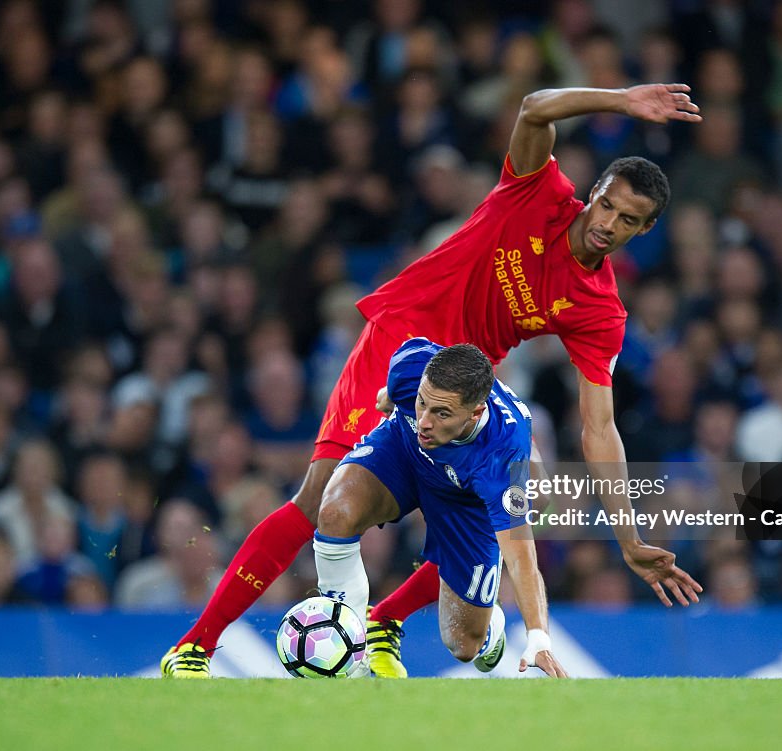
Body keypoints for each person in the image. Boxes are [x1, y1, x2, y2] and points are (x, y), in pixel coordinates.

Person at [161, 82, 703, 678]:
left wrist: (627, 539)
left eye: (628, 221)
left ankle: (386, 619)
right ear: (593, 192)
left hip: (464, 380)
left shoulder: (600, 309)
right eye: (607, 205)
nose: (609, 224)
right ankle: (197, 646)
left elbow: (601, 427)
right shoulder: (538, 194)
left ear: (643, 232)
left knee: (528, 493)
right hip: (403, 339)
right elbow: (532, 108)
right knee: (321, 500)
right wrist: (622, 101)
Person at [315, 339, 570, 677]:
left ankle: (485, 624)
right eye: (422, 402)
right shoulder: (411, 363)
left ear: (475, 413)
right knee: (335, 513)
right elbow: (393, 396)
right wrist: (394, 399)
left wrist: (538, 637)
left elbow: (521, 557)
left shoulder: (502, 457)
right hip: (404, 454)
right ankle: (350, 654)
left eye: (442, 413)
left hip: (465, 500)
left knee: (465, 645)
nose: (425, 420)